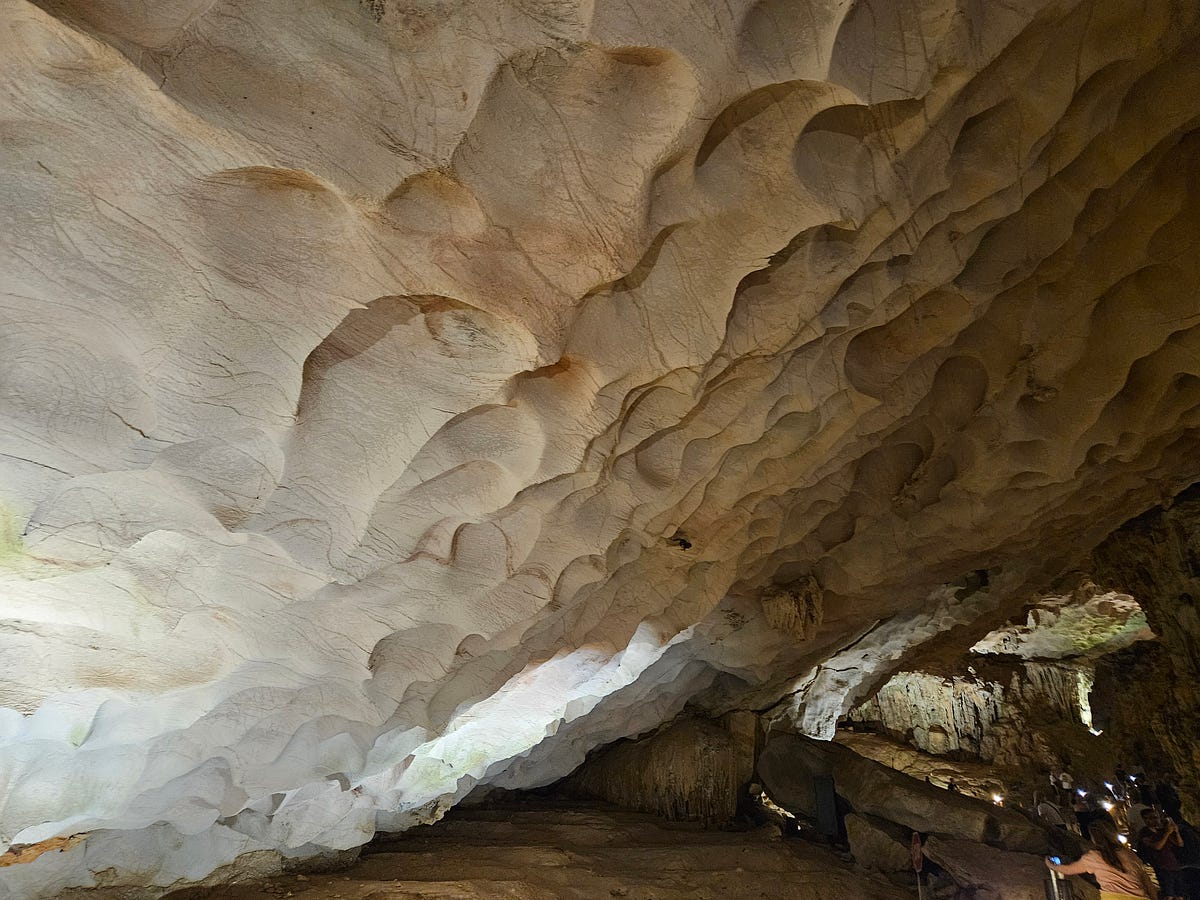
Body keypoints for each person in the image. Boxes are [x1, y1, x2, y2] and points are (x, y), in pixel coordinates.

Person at [1047, 818, 1153, 899]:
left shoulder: (1093, 858)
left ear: (1093, 838)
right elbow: (1145, 879)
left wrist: (1050, 864)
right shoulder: (1128, 854)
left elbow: (1068, 870)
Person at [1137, 807, 1185, 900]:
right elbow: (1157, 846)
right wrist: (1167, 833)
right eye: (1151, 818)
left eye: (1156, 817)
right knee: (1169, 894)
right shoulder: (1144, 833)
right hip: (1162, 867)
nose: (1155, 820)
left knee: (1180, 894)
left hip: (1174, 865)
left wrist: (1176, 832)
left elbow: (1180, 844)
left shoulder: (1161, 831)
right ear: (1145, 819)